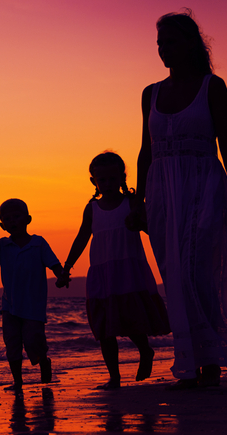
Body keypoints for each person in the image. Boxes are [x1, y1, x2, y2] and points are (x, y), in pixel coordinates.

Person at [129, 11, 227, 388]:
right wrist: (139, 201)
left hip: (204, 185)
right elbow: (144, 151)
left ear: (190, 44)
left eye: (170, 41)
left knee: (198, 268)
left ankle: (209, 361)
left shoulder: (212, 87)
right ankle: (188, 358)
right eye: (159, 44)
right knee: (174, 273)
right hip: (162, 191)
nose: (164, 50)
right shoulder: (151, 93)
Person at [61, 152, 170, 389]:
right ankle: (115, 377)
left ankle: (145, 351)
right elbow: (82, 237)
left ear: (123, 178)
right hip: (101, 272)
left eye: (113, 179)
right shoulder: (92, 208)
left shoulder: (131, 203)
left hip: (129, 270)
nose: (108, 184)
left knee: (133, 319)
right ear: (94, 182)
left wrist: (139, 223)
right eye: (103, 180)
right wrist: (67, 266)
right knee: (105, 327)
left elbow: (153, 229)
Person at [0, 198, 66, 392]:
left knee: (33, 340)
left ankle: (43, 361)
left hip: (33, 305)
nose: (13, 221)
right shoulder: (2, 246)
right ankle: (17, 381)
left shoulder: (38, 243)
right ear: (2, 225)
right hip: (9, 305)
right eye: (7, 219)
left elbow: (54, 264)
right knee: (12, 343)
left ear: (28, 219)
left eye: (17, 217)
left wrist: (61, 276)